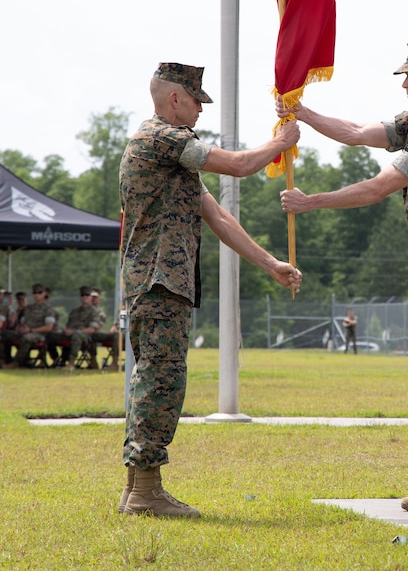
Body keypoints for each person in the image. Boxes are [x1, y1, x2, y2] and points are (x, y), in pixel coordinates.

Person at [278, 41, 408, 515]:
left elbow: (379, 187)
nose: (405, 81)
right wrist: (303, 112)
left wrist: (312, 202)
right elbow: (353, 132)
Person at [118, 61, 302, 517]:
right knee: (161, 380)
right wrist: (280, 142)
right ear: (174, 98)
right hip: (158, 280)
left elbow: (218, 216)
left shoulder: (172, 153)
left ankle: (137, 488)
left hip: (164, 281)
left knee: (156, 379)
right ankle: (144, 490)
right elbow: (238, 166)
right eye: (197, 101)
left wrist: (269, 263)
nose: (200, 111)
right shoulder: (161, 138)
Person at [3, 284, 57, 368]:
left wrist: (31, 330)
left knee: (27, 338)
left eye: (39, 292)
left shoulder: (48, 310)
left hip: (39, 335)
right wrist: (21, 328)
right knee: (4, 334)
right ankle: (4, 360)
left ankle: (17, 362)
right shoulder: (28, 308)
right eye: (34, 293)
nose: (36, 295)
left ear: (44, 293)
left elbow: (48, 327)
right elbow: (22, 321)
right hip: (25, 331)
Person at [47, 286, 100, 369]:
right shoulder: (75, 311)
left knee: (77, 335)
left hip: (85, 336)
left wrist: (74, 331)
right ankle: (56, 359)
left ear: (91, 297)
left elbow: (92, 329)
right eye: (83, 295)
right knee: (50, 335)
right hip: (70, 333)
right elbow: (68, 325)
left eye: (87, 295)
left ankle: (71, 363)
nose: (85, 297)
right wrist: (66, 329)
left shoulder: (95, 311)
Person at [84, 289, 120, 370]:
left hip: (92, 331)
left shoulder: (101, 314)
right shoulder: (81, 310)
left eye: (95, 297)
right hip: (85, 333)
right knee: (92, 336)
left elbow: (97, 327)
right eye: (91, 297)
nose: (93, 299)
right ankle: (93, 362)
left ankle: (114, 362)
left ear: (100, 299)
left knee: (115, 335)